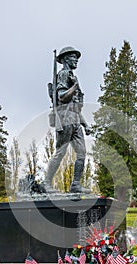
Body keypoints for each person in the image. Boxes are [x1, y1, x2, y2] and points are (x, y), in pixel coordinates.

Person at [45, 46, 91, 193]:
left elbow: (76, 107)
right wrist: (75, 86)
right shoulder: (64, 74)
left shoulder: (72, 76)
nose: (76, 60)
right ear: (65, 59)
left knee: (82, 152)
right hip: (65, 119)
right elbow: (62, 96)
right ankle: (46, 183)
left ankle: (76, 184)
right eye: (73, 57)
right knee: (60, 152)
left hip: (75, 119)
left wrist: (85, 124)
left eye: (76, 57)